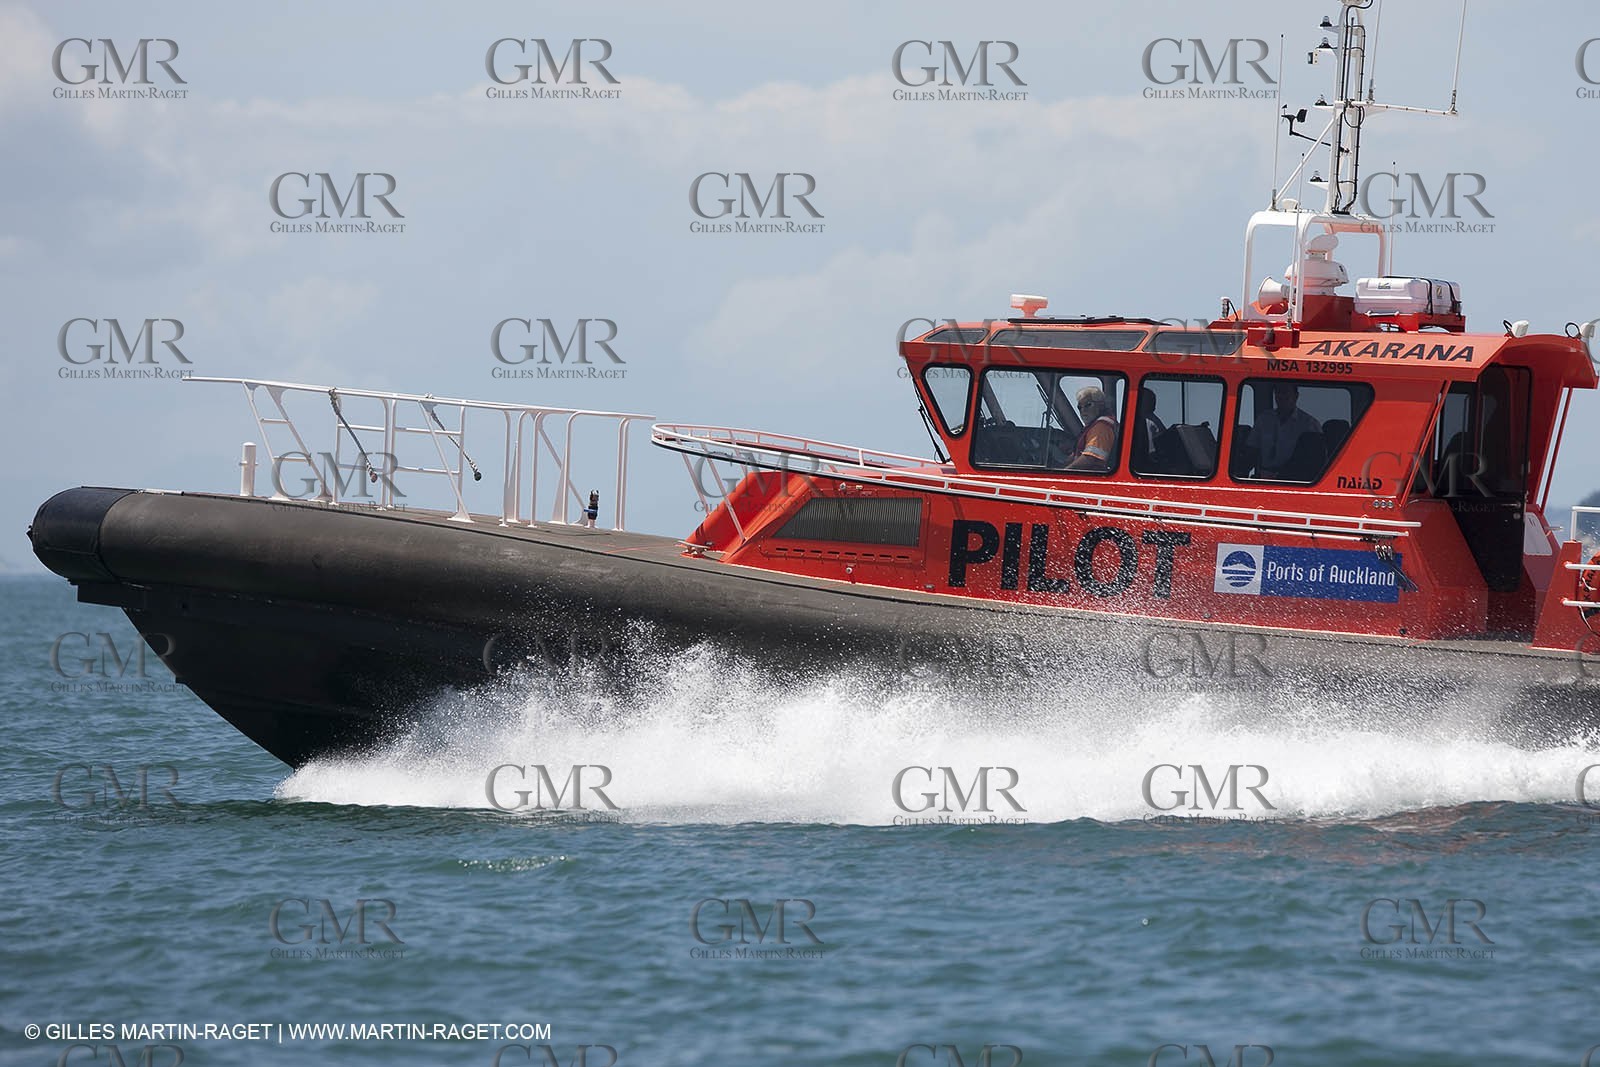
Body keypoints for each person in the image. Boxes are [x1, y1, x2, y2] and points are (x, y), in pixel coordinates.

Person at [1248, 383, 1320, 479]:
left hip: (1294, 480)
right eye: (1278, 392)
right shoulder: (1263, 419)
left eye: (1285, 392)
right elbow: (1252, 450)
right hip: (1264, 477)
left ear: (1296, 396)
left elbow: (1315, 461)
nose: (1281, 396)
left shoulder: (1309, 424)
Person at [1066, 386, 1119, 472]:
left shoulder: (1101, 427)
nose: (1083, 411)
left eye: (1088, 405)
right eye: (1080, 407)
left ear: (1101, 405)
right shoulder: (1093, 426)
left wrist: (1064, 472)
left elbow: (1090, 458)